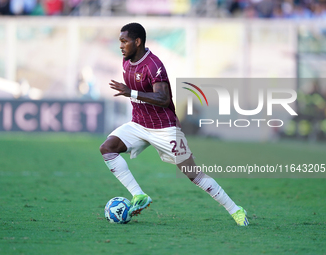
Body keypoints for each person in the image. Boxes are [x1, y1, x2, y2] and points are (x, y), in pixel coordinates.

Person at [99, 22, 249, 226]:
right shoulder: (126, 61)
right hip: (139, 125)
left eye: (124, 41)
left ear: (137, 41)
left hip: (164, 128)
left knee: (192, 174)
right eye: (120, 41)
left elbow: (162, 98)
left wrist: (131, 92)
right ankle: (139, 195)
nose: (121, 45)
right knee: (107, 148)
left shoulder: (153, 65)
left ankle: (236, 210)